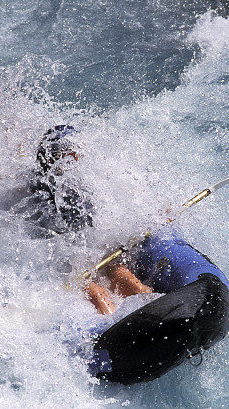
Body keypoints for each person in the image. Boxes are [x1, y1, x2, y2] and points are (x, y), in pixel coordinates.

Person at [30, 125, 152, 315]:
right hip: (65, 261)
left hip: (97, 252)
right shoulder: (40, 191)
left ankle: (155, 306)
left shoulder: (87, 181)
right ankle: (112, 324)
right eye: (63, 153)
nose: (73, 158)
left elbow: (117, 215)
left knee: (120, 274)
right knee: (94, 292)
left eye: (74, 152)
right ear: (49, 158)